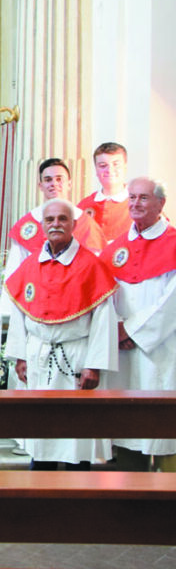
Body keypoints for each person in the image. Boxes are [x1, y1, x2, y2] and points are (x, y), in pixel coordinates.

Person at [4, 198, 117, 470]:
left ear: (74, 225)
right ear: (42, 225)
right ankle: (39, 492)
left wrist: (94, 365)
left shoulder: (91, 266)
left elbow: (104, 320)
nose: (56, 224)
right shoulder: (30, 265)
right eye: (50, 219)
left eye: (62, 219)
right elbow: (19, 314)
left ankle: (76, 496)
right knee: (41, 430)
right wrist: (20, 356)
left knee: (74, 432)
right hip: (38, 356)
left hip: (75, 358)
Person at [102, 178, 176, 471]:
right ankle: (130, 500)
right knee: (127, 425)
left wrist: (130, 330)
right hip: (123, 350)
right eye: (131, 197)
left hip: (162, 349)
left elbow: (171, 304)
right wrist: (116, 328)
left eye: (143, 198)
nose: (135, 203)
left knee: (163, 426)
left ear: (160, 203)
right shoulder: (116, 247)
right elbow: (105, 295)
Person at [4, 158, 106, 280]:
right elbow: (14, 271)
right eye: (48, 180)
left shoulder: (86, 224)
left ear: (69, 184)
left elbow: (97, 272)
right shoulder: (27, 224)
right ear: (40, 186)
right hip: (38, 293)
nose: (54, 184)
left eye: (59, 179)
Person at [78, 142, 130, 242]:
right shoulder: (84, 205)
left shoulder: (140, 204)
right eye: (103, 165)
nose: (109, 170)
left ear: (125, 167)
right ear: (96, 170)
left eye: (116, 165)